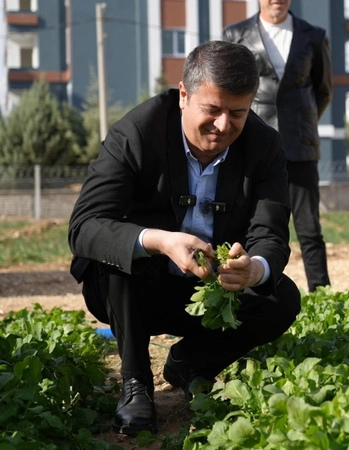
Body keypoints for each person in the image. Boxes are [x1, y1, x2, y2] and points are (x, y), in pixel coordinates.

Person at [68, 41, 301, 435]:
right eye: (212, 110)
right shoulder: (136, 132)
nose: (223, 126)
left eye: (238, 113)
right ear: (183, 95)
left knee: (282, 297)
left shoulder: (265, 146)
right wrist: (159, 241)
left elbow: (271, 235)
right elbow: (84, 225)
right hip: (137, 291)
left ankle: (190, 362)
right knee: (118, 258)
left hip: (211, 292)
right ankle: (136, 383)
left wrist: (252, 269)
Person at [223, 0, 333, 293]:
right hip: (252, 144)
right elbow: (227, 88)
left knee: (310, 229)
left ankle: (321, 295)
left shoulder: (314, 36)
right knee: (245, 224)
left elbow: (323, 91)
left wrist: (302, 123)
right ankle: (244, 292)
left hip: (300, 147)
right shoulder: (235, 34)